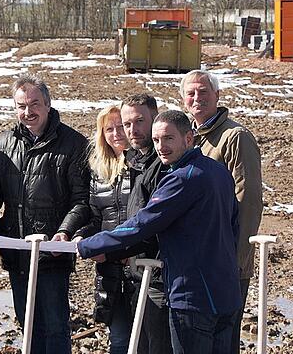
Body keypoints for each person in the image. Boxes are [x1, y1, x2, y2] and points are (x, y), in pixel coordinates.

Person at [77, 110, 241, 354]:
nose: (161, 147)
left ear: (189, 139)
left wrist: (91, 245)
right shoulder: (218, 171)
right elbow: (234, 224)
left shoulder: (181, 179)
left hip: (192, 297)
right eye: (156, 140)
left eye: (168, 139)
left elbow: (142, 224)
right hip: (227, 292)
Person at [0, 74, 90, 354]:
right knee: (28, 324)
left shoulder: (72, 144)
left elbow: (81, 200)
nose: (28, 112)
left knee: (56, 326)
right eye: (21, 105)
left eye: (34, 104)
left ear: (48, 104)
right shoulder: (5, 142)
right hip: (17, 250)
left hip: (51, 252)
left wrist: (64, 232)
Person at [76, 95, 172, 354]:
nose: (126, 132)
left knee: (152, 342)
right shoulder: (101, 171)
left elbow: (149, 223)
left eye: (133, 123)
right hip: (114, 269)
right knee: (122, 340)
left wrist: (113, 250)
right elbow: (96, 216)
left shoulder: (154, 165)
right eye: (116, 127)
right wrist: (80, 235)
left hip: (149, 269)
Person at [180, 70, 263, 353]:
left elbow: (248, 200)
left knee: (222, 340)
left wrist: (236, 259)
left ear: (217, 96)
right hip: (197, 261)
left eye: (204, 92)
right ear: (182, 99)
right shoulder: (186, 137)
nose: (197, 98)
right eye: (191, 93)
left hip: (226, 263)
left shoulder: (234, 137)